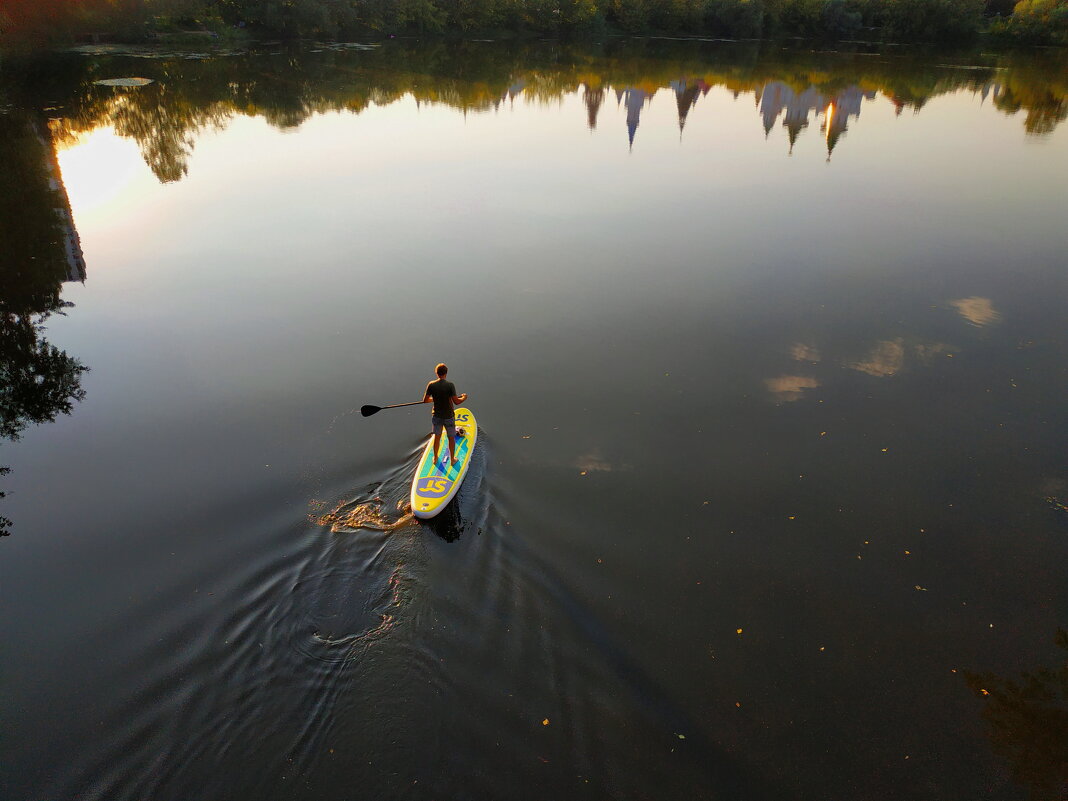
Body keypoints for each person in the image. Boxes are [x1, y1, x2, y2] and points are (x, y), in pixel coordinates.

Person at [422, 363, 467, 466]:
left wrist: (436, 398)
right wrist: (464, 397)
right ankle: (452, 460)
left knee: (436, 437)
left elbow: (425, 400)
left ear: (436, 373)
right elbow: (457, 401)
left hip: (436, 416)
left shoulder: (431, 384)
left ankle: (435, 457)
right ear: (446, 373)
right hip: (448, 417)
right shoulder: (450, 385)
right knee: (451, 438)